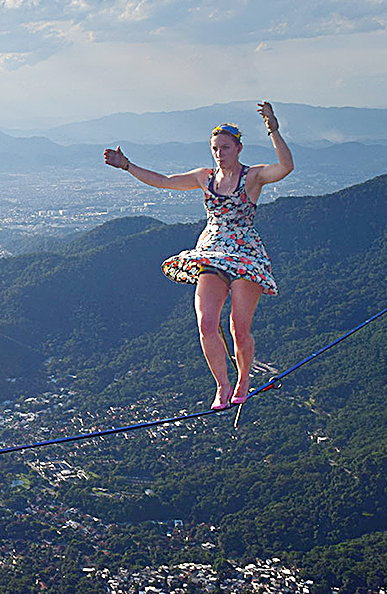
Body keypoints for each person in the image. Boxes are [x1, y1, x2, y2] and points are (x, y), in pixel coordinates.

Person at [103, 102, 294, 410]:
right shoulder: (204, 177)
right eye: (215, 148)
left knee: (238, 327)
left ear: (239, 148)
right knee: (206, 323)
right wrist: (127, 166)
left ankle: (244, 379)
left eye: (225, 148)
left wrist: (273, 129)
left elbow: (285, 167)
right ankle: (222, 385)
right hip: (211, 252)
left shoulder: (252, 177)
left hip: (245, 253)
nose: (220, 154)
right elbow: (164, 181)